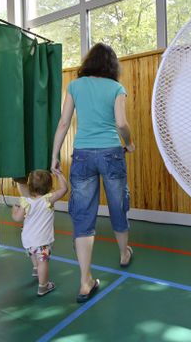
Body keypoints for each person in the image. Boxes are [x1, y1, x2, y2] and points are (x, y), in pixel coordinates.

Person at [51, 42, 135, 303]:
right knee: (118, 205)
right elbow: (121, 123)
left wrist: (53, 155)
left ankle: (85, 281)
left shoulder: (75, 86)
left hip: (83, 155)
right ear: (112, 65)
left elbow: (64, 122)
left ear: (89, 62)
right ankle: (124, 254)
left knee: (84, 216)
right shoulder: (116, 88)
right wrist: (129, 144)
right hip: (111, 152)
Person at [11, 170, 68, 296]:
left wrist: (15, 210)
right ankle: (43, 286)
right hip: (42, 242)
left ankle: (35, 268)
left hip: (27, 241)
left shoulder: (25, 202)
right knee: (43, 262)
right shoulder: (48, 200)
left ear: (29, 186)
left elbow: (17, 218)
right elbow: (64, 189)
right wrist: (59, 174)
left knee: (33, 254)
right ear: (49, 186)